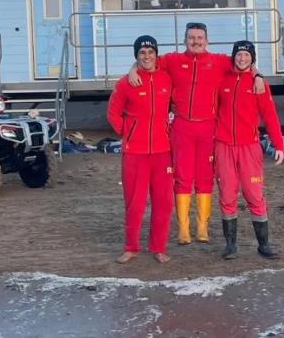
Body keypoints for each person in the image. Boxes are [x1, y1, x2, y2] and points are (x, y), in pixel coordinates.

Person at [129, 23, 264, 245]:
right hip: (182, 126)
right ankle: (183, 229)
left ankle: (202, 228)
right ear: (185, 41)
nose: (196, 41)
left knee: (204, 177)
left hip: (208, 127)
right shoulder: (173, 60)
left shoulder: (219, 61)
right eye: (191, 38)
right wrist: (133, 69)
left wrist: (259, 75)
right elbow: (148, 61)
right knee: (182, 177)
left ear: (207, 41)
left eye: (200, 38)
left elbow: (244, 62)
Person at [214, 40, 284, 260]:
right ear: (233, 56)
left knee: (254, 194)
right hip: (223, 145)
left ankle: (263, 244)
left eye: (246, 55)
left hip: (249, 147)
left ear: (252, 58)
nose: (242, 58)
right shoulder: (221, 79)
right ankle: (231, 245)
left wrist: (278, 143)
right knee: (227, 194)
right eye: (238, 54)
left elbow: (270, 115)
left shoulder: (258, 84)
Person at [107, 35, 174, 264]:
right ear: (136, 56)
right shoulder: (126, 82)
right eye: (142, 53)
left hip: (162, 152)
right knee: (135, 203)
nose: (147, 56)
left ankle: (158, 248)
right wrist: (127, 132)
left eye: (150, 52)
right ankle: (131, 247)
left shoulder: (167, 78)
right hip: (134, 153)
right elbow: (113, 113)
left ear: (156, 54)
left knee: (163, 203)